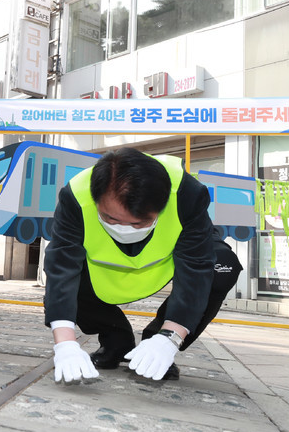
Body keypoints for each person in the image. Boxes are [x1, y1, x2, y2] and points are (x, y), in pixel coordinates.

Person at [44, 147, 242, 384]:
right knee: (66, 274)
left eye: (138, 223)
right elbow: (61, 267)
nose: (123, 229)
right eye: (110, 218)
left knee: (223, 267)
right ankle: (115, 338)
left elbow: (196, 267)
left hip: (167, 258)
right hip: (100, 269)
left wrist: (169, 338)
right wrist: (65, 344)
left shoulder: (187, 193)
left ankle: (157, 343)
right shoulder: (76, 195)